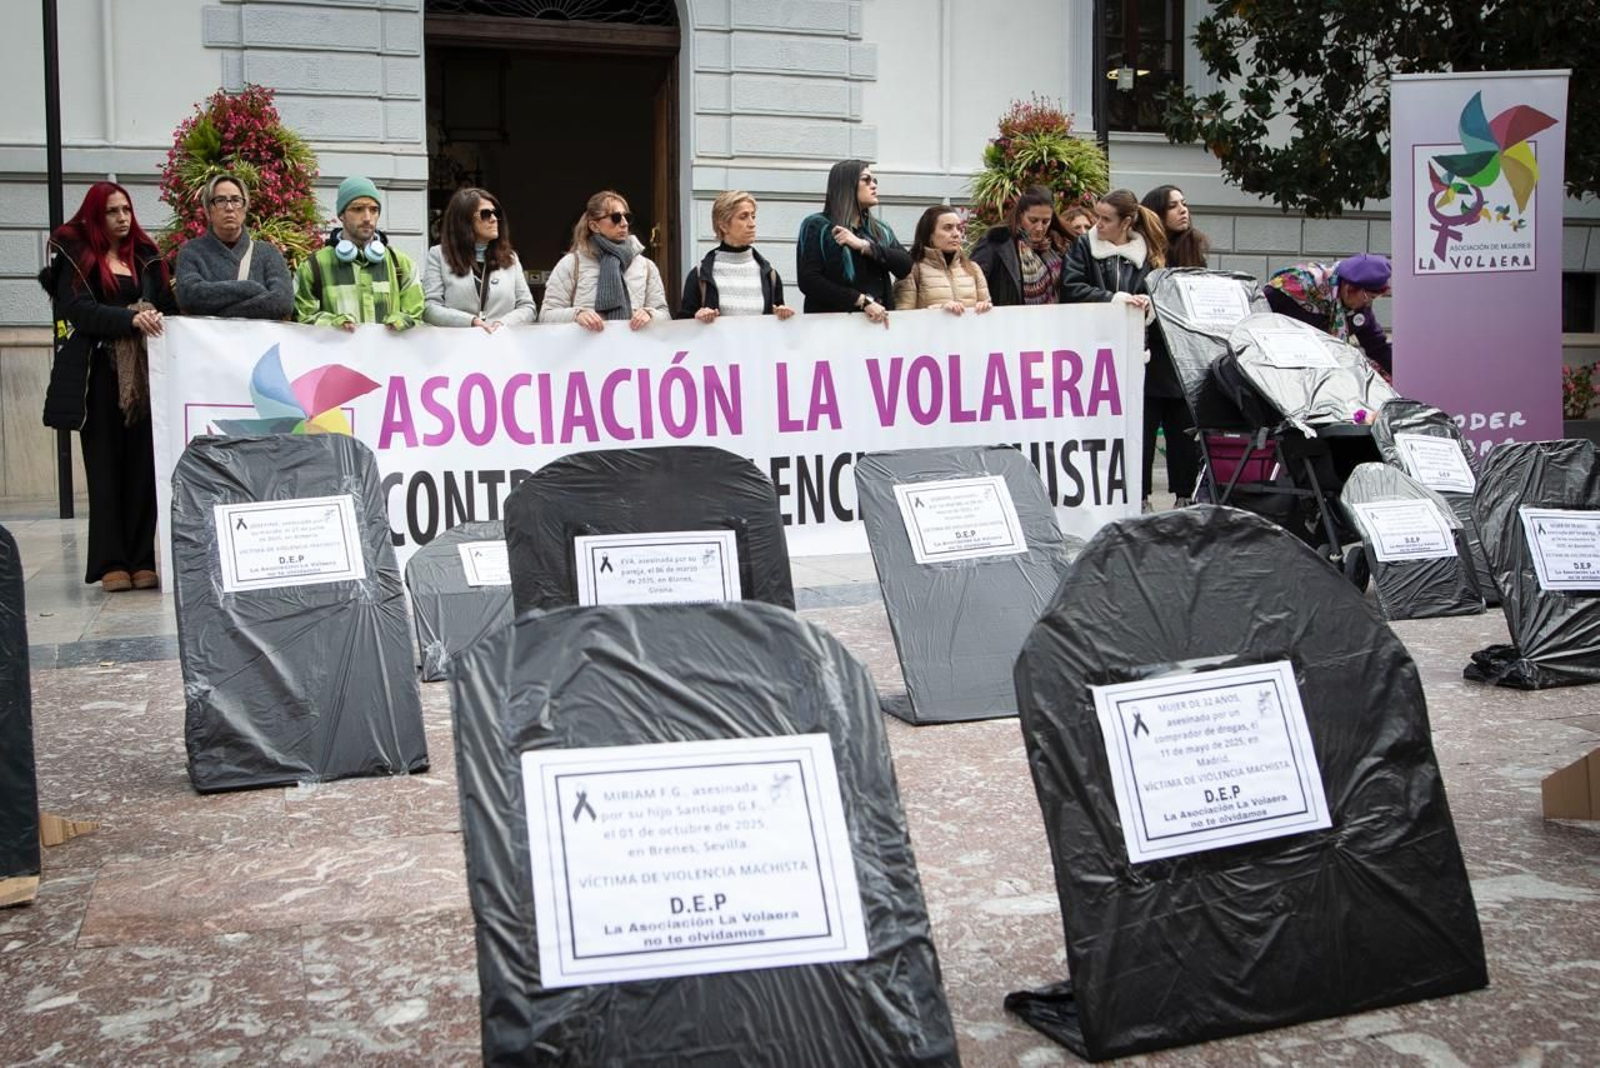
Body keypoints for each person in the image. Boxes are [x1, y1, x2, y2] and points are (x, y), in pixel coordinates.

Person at [37, 181, 175, 592]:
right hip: (98, 374)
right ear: (96, 217)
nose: (121, 218)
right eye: (112, 211)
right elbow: (78, 310)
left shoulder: (146, 257)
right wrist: (130, 319)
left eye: (126, 210)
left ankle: (141, 559)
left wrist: (156, 314)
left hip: (144, 376)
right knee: (105, 469)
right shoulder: (78, 257)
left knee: (142, 468)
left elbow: (168, 307)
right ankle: (111, 562)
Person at [1060, 189, 1169, 512]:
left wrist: (1147, 304)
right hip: (1088, 353)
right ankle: (1095, 496)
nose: (1098, 224)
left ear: (1127, 222)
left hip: (1130, 353)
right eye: (1098, 216)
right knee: (1091, 427)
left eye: (1106, 219)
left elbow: (1159, 294)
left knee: (1130, 428)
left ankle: (1135, 495)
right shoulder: (1084, 246)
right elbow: (1070, 287)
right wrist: (1114, 299)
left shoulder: (1147, 253)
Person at [1136, 184, 1207, 510]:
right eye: (1173, 205)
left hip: (1182, 357)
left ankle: (1185, 497)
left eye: (1185, 203)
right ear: (1156, 213)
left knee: (1183, 432)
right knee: (1143, 432)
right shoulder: (1142, 253)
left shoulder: (1194, 250)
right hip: (1148, 354)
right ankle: (1140, 497)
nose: (1183, 210)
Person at [293, 175, 423, 331]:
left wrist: (403, 321)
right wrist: (333, 324)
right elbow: (302, 319)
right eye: (357, 209)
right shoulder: (314, 266)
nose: (367, 218)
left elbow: (417, 316)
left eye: (374, 210)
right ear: (341, 214)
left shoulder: (402, 264)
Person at [795, 159, 910, 322]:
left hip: (877, 325)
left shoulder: (879, 229)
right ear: (847, 185)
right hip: (833, 325)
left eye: (874, 181)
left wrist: (865, 246)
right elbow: (809, 280)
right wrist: (861, 300)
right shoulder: (818, 226)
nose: (873, 185)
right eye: (866, 180)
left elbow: (905, 265)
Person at [540, 190, 669, 331]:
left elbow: (664, 315)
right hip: (586, 344)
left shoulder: (646, 266)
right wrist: (577, 315)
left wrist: (649, 314)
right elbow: (546, 315)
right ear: (594, 226)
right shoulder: (571, 263)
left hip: (632, 344)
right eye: (616, 218)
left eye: (627, 217)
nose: (624, 223)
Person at [173, 173, 294, 320]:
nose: (229, 207)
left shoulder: (268, 253)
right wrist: (249, 288)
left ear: (245, 208)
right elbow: (189, 297)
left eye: (236, 200)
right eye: (220, 200)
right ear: (208, 210)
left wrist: (221, 317)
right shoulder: (191, 251)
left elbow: (282, 302)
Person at [423, 187, 536, 332]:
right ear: (464, 220)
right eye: (486, 214)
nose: (494, 219)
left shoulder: (511, 258)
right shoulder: (439, 255)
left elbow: (527, 307)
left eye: (496, 213)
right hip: (457, 342)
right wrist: (470, 321)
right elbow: (430, 309)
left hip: (499, 341)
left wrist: (502, 323)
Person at [1264, 254, 1393, 376]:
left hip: (1319, 376)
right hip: (1280, 369)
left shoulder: (1358, 310)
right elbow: (1259, 319)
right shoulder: (1296, 286)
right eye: (1368, 297)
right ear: (1348, 289)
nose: (1368, 303)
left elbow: (1378, 347)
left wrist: (1402, 375)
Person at [679, 190, 794, 321]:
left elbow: (777, 326)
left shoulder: (770, 275)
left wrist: (783, 314)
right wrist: (697, 318)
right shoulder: (700, 276)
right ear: (723, 225)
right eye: (743, 217)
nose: (752, 224)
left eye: (753, 216)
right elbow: (683, 325)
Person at [970, 186, 1070, 307]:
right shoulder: (996, 241)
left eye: (1045, 221)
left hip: (1052, 316)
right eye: (1033, 220)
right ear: (1020, 215)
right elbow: (972, 282)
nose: (1039, 228)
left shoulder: (1056, 245)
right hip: (1008, 316)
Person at [894, 206, 993, 314]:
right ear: (930, 235)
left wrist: (985, 306)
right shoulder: (912, 270)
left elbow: (987, 310)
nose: (956, 234)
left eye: (958, 228)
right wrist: (938, 311)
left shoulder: (973, 268)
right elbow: (903, 316)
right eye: (948, 228)